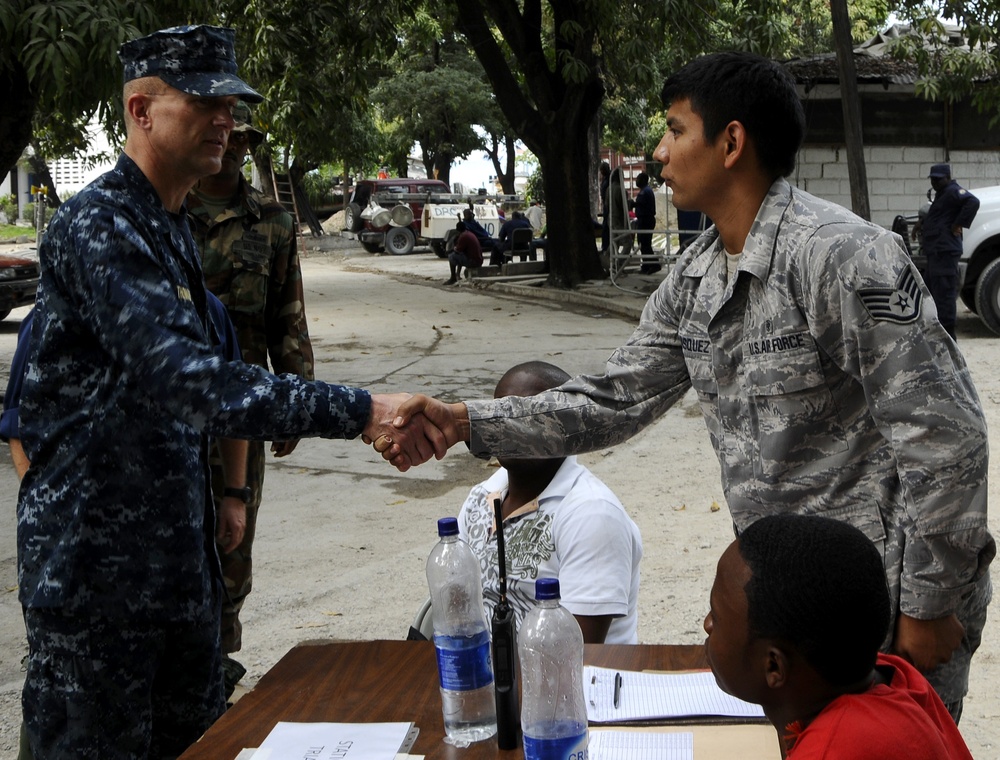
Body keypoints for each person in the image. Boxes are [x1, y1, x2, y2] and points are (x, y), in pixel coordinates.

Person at [384, 51, 994, 722]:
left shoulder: (842, 257)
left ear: (731, 142)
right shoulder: (696, 279)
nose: (659, 151)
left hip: (887, 596)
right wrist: (466, 420)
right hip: (790, 603)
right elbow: (612, 400)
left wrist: (931, 600)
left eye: (675, 130)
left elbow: (945, 435)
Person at [16, 24, 440, 758]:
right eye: (204, 102)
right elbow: (191, 381)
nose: (225, 120)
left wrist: (232, 500)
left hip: (179, 581)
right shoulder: (102, 226)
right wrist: (364, 409)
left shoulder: (170, 226)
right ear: (142, 111)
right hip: (97, 594)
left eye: (231, 104)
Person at [186, 110, 313, 698]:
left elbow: (288, 315)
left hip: (242, 407)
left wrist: (296, 396)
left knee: (235, 541)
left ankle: (220, 659)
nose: (234, 147)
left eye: (244, 139)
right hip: (175, 409)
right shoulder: (167, 210)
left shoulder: (273, 222)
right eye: (227, 136)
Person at [706, 513, 974, 759]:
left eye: (715, 618)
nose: (707, 625)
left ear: (774, 666)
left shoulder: (831, 751)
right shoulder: (892, 675)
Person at [457, 361, 642, 644]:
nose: (512, 428)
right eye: (501, 415)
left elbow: (576, 658)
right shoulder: (481, 497)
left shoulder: (592, 514)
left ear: (567, 427)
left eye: (532, 418)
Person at [912, 164, 979, 340]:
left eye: (938, 179)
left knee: (945, 294)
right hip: (937, 252)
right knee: (932, 291)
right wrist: (922, 224)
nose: (935, 182)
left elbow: (973, 202)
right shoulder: (942, 194)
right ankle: (936, 332)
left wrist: (959, 223)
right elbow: (940, 216)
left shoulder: (952, 191)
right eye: (933, 179)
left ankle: (948, 336)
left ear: (948, 177)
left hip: (945, 252)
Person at [633, 171, 660, 274]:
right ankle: (646, 266)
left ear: (643, 180)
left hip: (646, 220)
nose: (636, 181)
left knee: (645, 244)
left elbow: (641, 203)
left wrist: (633, 204)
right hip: (643, 219)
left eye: (638, 179)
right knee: (642, 243)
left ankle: (654, 265)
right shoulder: (644, 190)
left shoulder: (646, 191)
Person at [598, 161, 611, 256]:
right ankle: (606, 247)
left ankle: (606, 248)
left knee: (606, 228)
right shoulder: (607, 179)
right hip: (606, 207)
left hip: (608, 207)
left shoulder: (609, 180)